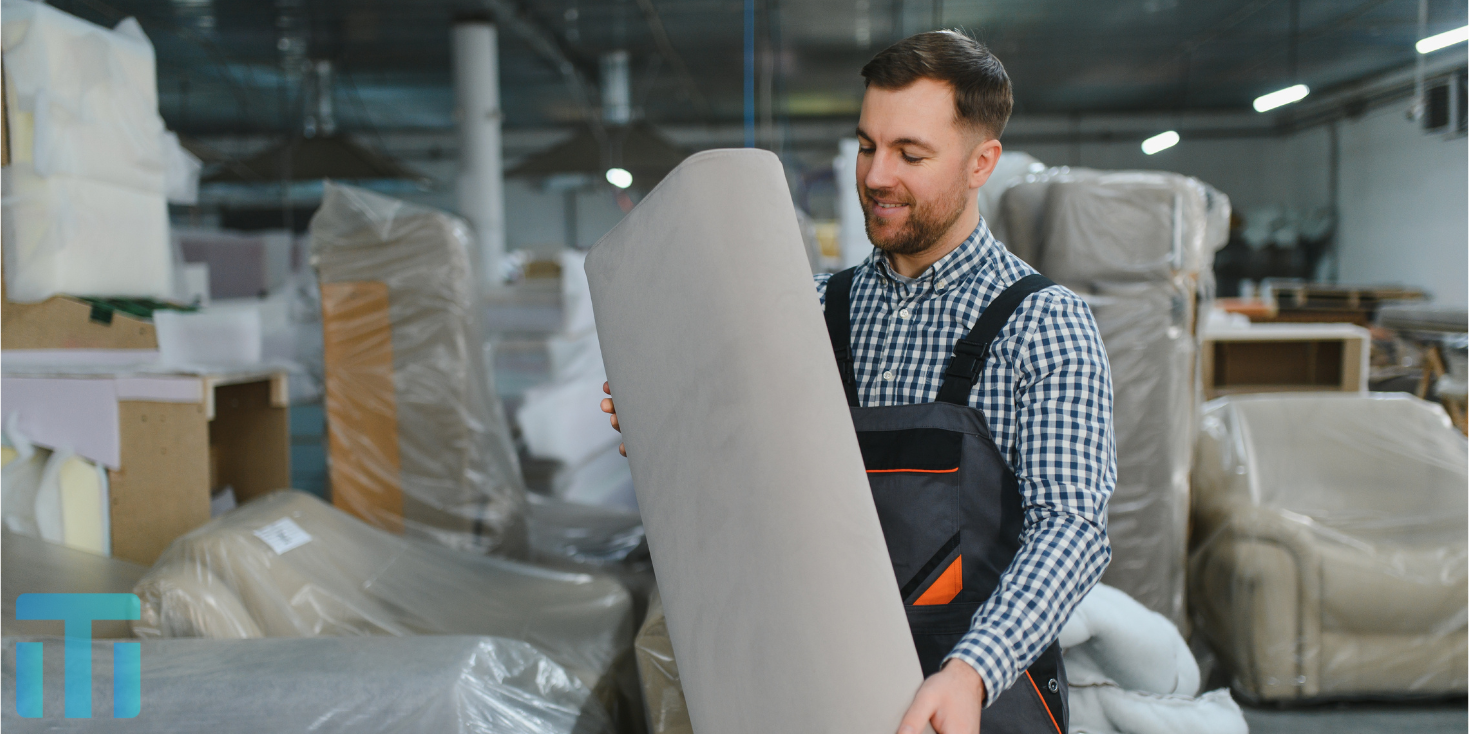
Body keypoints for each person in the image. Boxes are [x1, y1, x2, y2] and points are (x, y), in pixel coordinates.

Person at [603, 30, 1115, 734]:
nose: (876, 176)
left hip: (979, 693)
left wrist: (971, 672)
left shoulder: (1043, 325)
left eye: (910, 154)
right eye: (868, 146)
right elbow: (752, 483)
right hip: (819, 683)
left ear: (981, 163)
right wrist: (663, 427)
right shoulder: (809, 310)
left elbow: (1072, 527)